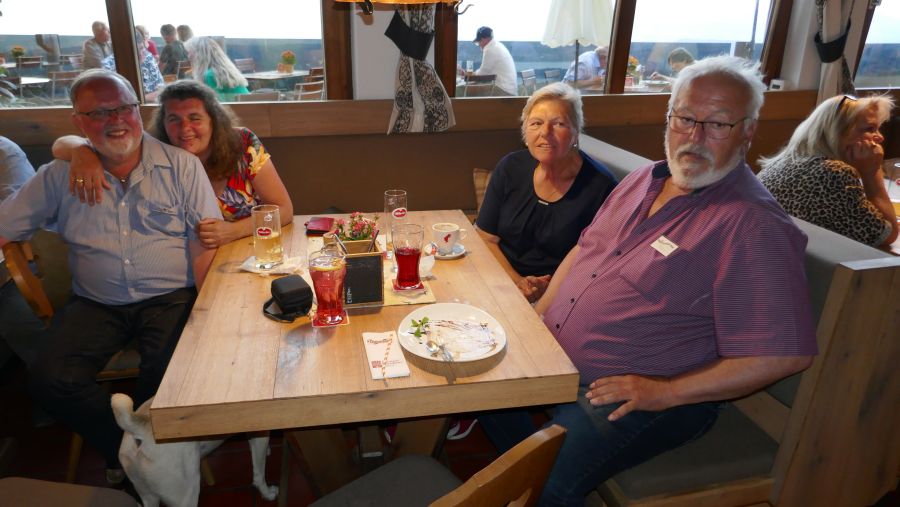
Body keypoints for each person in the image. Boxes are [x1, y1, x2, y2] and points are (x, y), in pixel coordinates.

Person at [481, 56, 818, 506]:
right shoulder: (644, 178)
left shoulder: (753, 224)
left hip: (644, 395)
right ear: (668, 117)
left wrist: (664, 392)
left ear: (748, 131)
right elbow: (585, 250)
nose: (695, 136)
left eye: (717, 124)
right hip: (562, 361)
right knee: (479, 389)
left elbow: (784, 354)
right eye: (685, 118)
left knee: (544, 479)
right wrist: (537, 320)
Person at [0, 69, 221, 483]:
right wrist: (76, 153)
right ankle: (129, 451)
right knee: (48, 379)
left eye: (124, 108)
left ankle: (150, 464)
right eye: (99, 113)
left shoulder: (182, 167)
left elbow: (205, 242)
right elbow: (5, 226)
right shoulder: (57, 175)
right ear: (78, 122)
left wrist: (208, 313)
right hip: (96, 303)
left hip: (170, 297)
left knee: (170, 372)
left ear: (139, 110)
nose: (116, 120)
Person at [55, 79, 292, 248]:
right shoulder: (150, 150)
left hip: (251, 249)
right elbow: (60, 144)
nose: (185, 128)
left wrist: (232, 231)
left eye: (194, 118)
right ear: (163, 124)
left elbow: (283, 210)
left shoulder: (243, 142)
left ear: (214, 120)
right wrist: (81, 151)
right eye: (174, 119)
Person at [476, 83, 617, 303]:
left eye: (559, 124)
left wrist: (547, 290)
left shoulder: (601, 187)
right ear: (525, 132)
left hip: (565, 295)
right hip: (502, 280)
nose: (545, 133)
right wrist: (518, 282)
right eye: (536, 123)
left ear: (576, 132)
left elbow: (598, 262)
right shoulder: (510, 167)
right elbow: (486, 238)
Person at [757, 94, 897, 247]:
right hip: (796, 261)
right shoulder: (833, 174)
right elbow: (886, 235)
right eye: (870, 129)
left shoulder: (783, 162)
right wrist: (871, 171)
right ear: (837, 132)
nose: (880, 137)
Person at [0, 136, 48, 371]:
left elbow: (19, 218)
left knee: (18, 318)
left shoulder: (4, 152)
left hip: (14, 265)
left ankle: (57, 381)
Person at [101, 31, 164, 100]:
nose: (140, 55)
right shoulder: (107, 67)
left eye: (141, 48)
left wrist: (141, 99)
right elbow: (114, 100)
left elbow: (161, 90)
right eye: (134, 51)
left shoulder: (148, 58)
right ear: (121, 51)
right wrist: (144, 98)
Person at [185, 37, 249, 102]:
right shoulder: (222, 70)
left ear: (199, 54)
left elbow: (217, 104)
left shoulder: (210, 74)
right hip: (248, 106)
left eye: (190, 52)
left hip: (237, 108)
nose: (188, 56)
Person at [465, 26, 517, 96]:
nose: (479, 44)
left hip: (503, 91)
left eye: (479, 41)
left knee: (466, 89)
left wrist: (470, 75)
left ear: (484, 39)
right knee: (472, 87)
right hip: (510, 90)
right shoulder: (497, 45)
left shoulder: (489, 49)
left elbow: (482, 74)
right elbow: (485, 72)